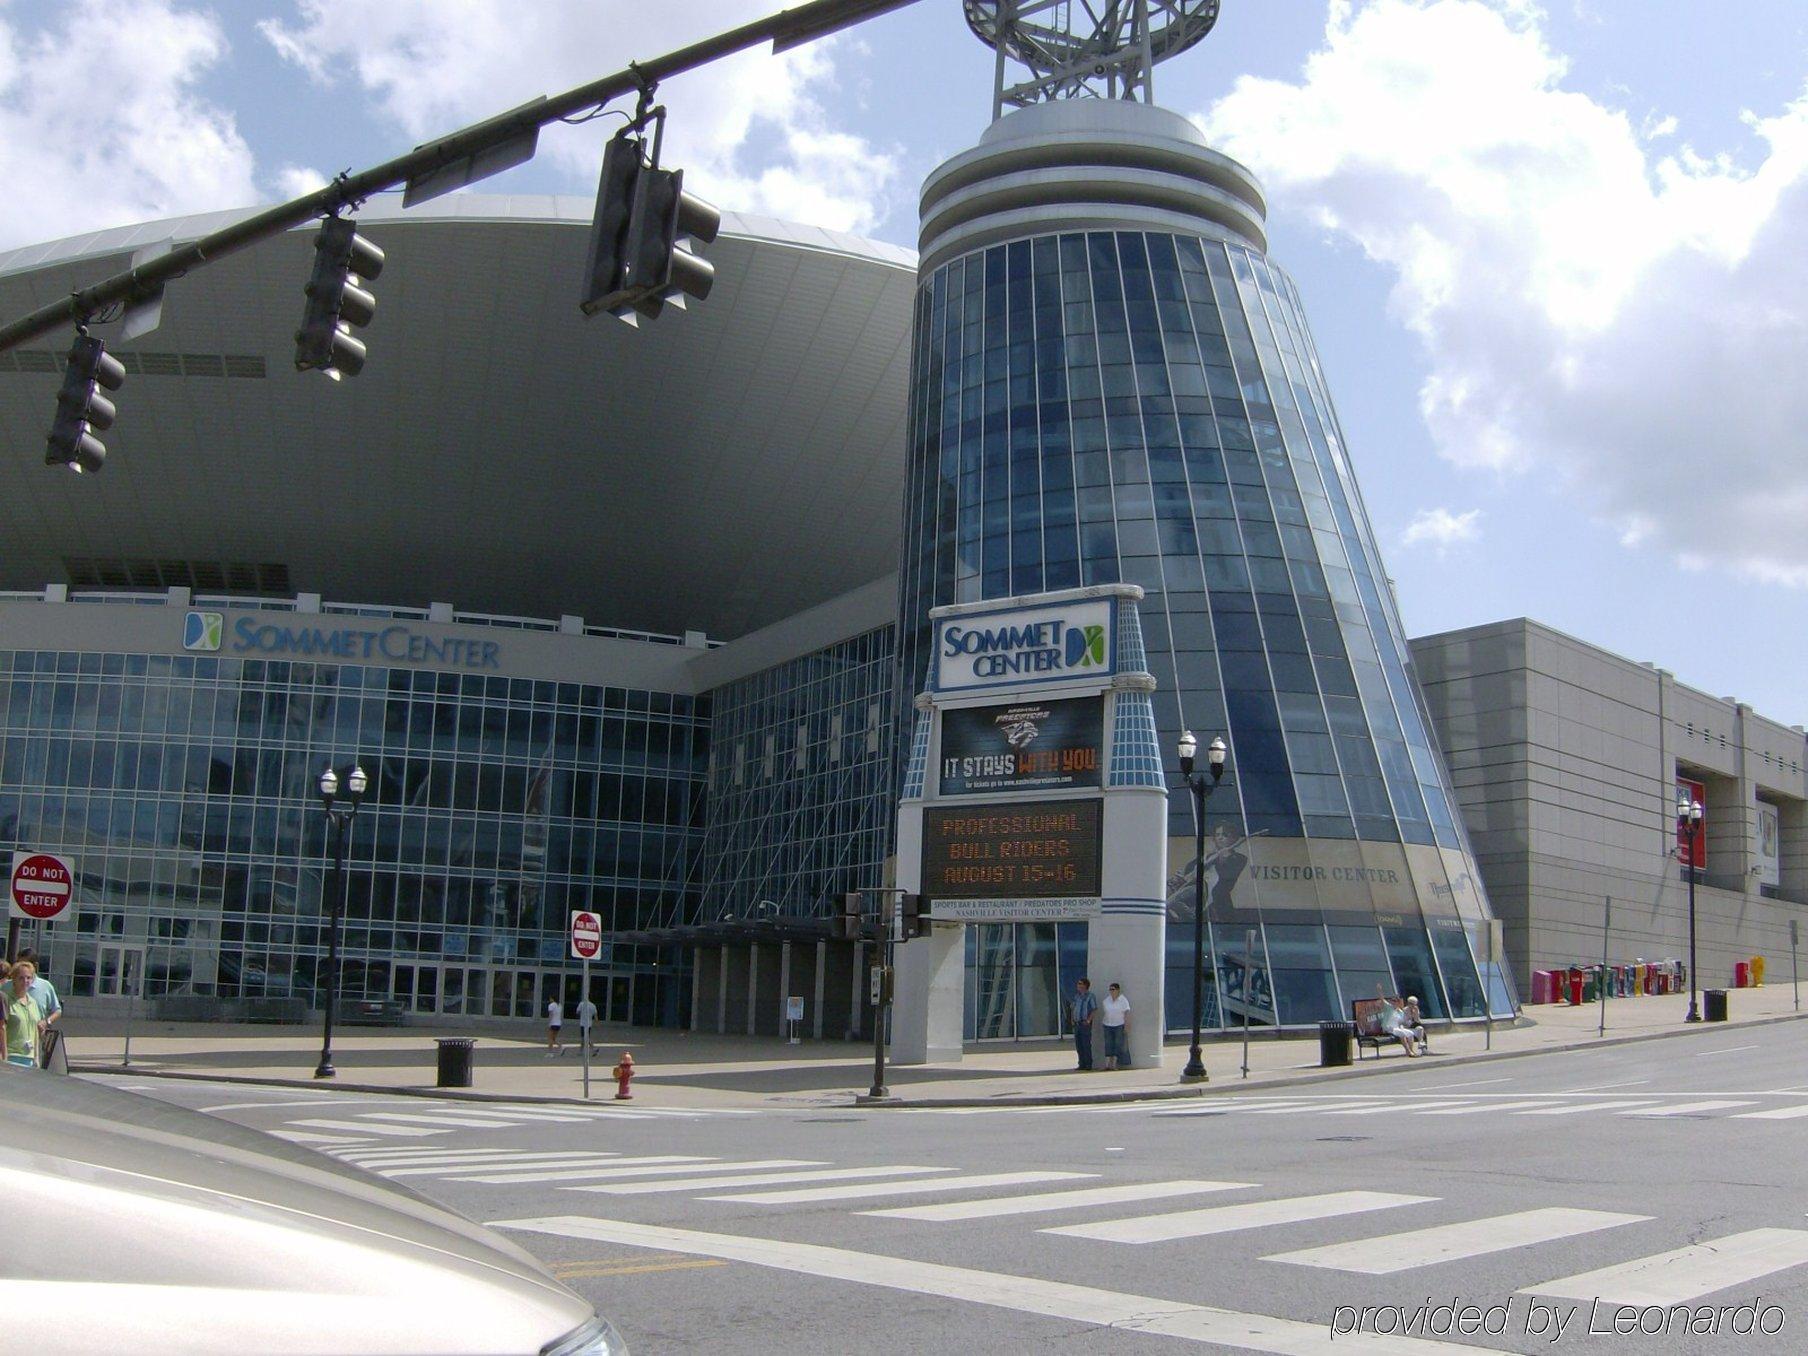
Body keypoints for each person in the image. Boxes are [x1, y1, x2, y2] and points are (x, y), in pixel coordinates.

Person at [15, 949, 61, 1068]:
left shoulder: (45, 986)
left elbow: (57, 1010)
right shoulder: (9, 986)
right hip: (13, 1044)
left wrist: (47, 1022)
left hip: (35, 1042)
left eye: (25, 965)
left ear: (35, 966)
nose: (21, 968)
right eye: (18, 964)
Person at [4, 959, 44, 1069]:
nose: (25, 981)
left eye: (28, 978)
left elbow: (35, 1031)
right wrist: (3, 1055)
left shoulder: (33, 1003)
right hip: (11, 1056)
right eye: (21, 978)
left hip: (29, 1057)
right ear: (14, 980)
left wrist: (36, 1057)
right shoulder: (7, 1001)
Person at [1100, 982, 1131, 1071]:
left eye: (1113, 989)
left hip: (1119, 1025)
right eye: (1110, 989)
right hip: (1107, 1024)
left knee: (1117, 1044)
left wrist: (1127, 1025)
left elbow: (1127, 1013)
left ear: (1118, 990)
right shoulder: (1106, 1000)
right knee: (1108, 1043)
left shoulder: (1123, 1000)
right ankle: (1107, 1064)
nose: (1111, 991)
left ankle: (1114, 1064)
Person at [1069, 978, 1098, 1071]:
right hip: (1077, 1024)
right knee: (1079, 1045)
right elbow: (1073, 1008)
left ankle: (1088, 1064)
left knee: (1086, 1044)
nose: (1078, 985)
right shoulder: (1076, 996)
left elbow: (1094, 1009)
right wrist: (1072, 1019)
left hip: (1085, 1024)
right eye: (1078, 983)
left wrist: (1089, 1020)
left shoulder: (1090, 996)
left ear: (1085, 985)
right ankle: (1081, 1064)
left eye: (1080, 983)